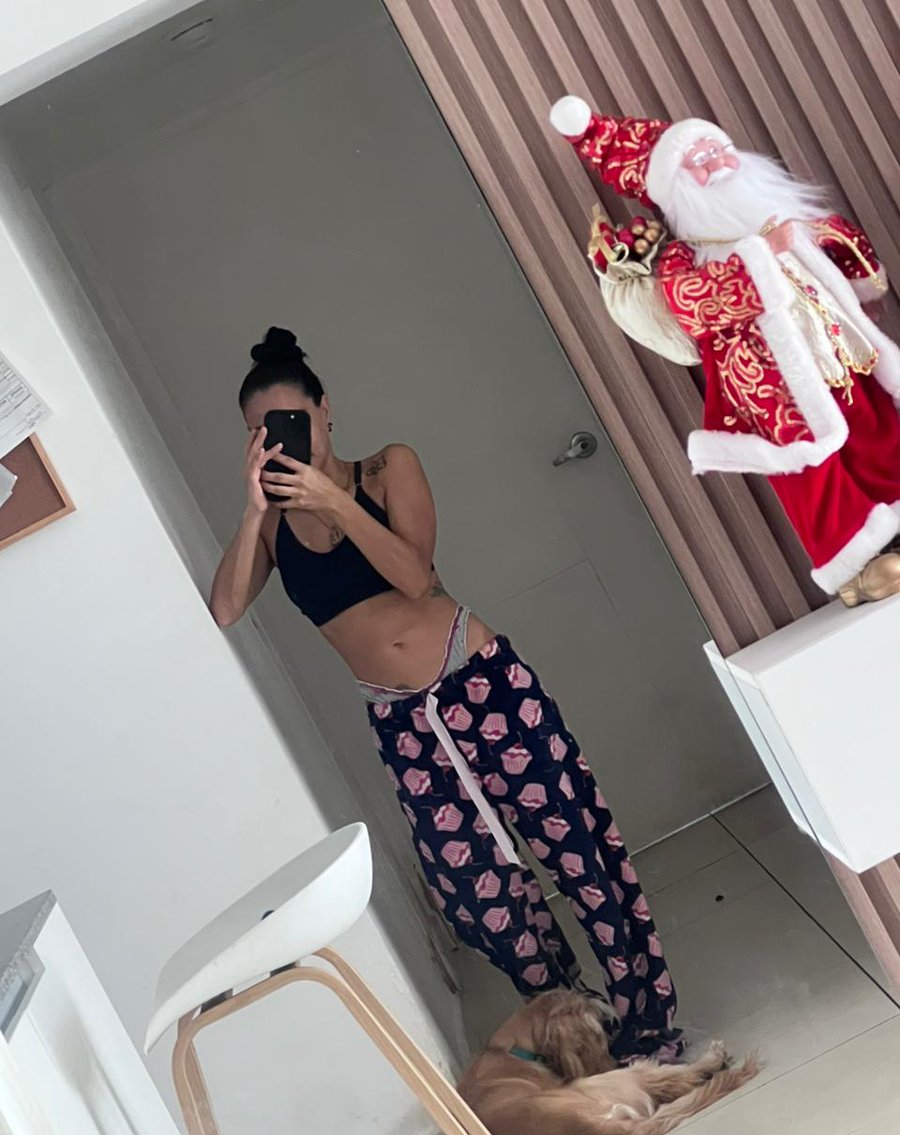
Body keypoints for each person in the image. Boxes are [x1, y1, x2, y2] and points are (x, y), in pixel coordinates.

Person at [211, 326, 681, 1061]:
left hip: (482, 683)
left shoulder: (386, 468)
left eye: (291, 422)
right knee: (477, 894)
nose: (280, 441)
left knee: (577, 851)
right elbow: (225, 609)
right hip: (404, 725)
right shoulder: (270, 526)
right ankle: (577, 1024)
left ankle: (649, 1023)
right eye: (260, 433)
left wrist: (333, 501)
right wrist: (251, 511)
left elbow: (413, 576)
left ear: (325, 409)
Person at [551, 96, 900, 605]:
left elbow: (840, 243)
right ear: (674, 189)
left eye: (719, 150)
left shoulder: (779, 213)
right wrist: (763, 253)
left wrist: (859, 279)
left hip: (838, 351)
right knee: (810, 468)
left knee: (875, 429)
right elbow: (694, 305)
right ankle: (854, 568)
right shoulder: (685, 255)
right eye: (699, 160)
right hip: (771, 384)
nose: (717, 163)